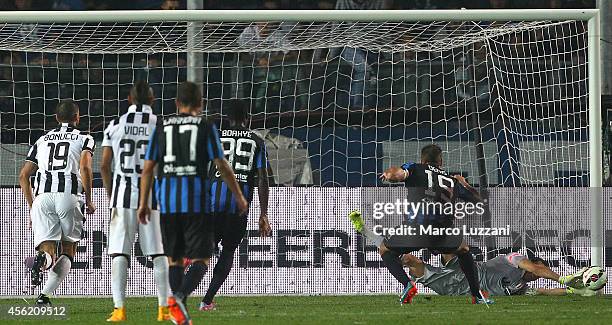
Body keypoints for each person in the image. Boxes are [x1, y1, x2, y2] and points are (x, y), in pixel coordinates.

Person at [138, 81, 248, 325]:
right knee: (201, 260)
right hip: (196, 202)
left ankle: (179, 313)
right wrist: (239, 196)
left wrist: (144, 203)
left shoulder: (161, 127)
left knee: (175, 259)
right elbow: (221, 164)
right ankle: (178, 297)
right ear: (201, 104)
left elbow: (147, 170)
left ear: (177, 103)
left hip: (167, 203)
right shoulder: (206, 127)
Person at [353, 144, 492, 304]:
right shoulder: (452, 180)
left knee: (385, 249)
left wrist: (389, 174)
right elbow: (479, 200)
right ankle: (477, 295)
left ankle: (407, 285)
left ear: (422, 159)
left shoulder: (415, 167)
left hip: (415, 231)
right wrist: (464, 183)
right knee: (463, 249)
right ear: (440, 161)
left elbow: (397, 174)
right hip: (442, 233)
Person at [100, 81, 170, 322]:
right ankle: (163, 309)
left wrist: (112, 195)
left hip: (122, 195)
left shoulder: (115, 125)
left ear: (129, 99)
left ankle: (119, 309)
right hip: (151, 196)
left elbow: (104, 165)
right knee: (158, 253)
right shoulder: (159, 124)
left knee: (120, 251)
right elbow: (163, 163)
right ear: (152, 100)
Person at [19, 100, 96, 305]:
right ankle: (44, 295)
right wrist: (88, 199)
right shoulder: (84, 138)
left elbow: (23, 176)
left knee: (47, 250)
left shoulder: (41, 140)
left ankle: (42, 261)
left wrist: (32, 206)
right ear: (77, 117)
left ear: (56, 118)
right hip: (68, 197)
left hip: (42, 198)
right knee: (69, 250)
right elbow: (86, 168)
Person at [197, 99, 271, 311]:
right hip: (238, 205)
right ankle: (207, 300)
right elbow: (262, 178)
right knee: (228, 250)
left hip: (213, 202)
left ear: (227, 119)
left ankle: (180, 285)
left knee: (206, 249)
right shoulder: (257, 141)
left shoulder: (216, 137)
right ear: (247, 119)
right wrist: (263, 213)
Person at [401, 253, 593, 296]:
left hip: (464, 294)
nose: (539, 274)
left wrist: (577, 292)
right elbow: (537, 270)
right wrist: (563, 278)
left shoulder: (520, 288)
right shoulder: (515, 258)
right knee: (413, 262)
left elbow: (544, 292)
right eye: (540, 269)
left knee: (422, 272)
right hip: (467, 274)